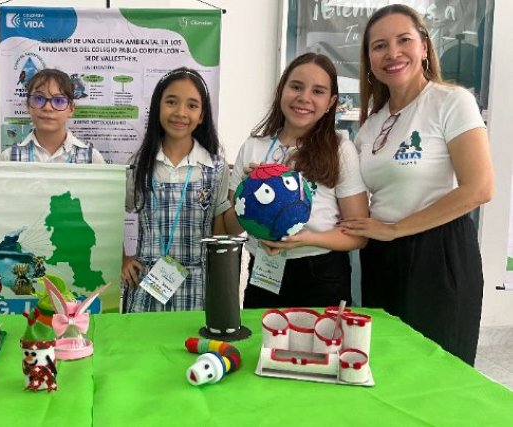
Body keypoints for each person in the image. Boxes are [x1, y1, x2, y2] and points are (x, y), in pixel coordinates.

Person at [339, 4, 493, 366]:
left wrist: (396, 229)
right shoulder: (370, 127)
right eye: (379, 46)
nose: (392, 53)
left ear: (424, 46)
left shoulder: (451, 102)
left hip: (439, 253)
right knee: (388, 367)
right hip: (380, 255)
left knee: (438, 372)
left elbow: (480, 188)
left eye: (403, 40)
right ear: (369, 59)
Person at [224, 53, 369, 309]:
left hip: (321, 273)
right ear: (282, 90)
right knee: (261, 347)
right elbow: (231, 227)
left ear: (330, 102)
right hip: (264, 272)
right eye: (296, 87)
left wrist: (308, 239)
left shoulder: (339, 149)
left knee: (319, 349)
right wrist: (248, 194)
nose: (304, 98)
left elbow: (358, 235)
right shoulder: (253, 146)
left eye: (318, 91)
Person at [121, 67, 231, 312]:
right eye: (172, 102)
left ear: (202, 115)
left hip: (198, 286)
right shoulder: (140, 165)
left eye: (192, 105)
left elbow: (219, 233)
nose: (181, 113)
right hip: (148, 283)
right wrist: (123, 258)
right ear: (158, 106)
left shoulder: (216, 167)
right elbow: (108, 212)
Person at [0, 68, 105, 164]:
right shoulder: (8, 158)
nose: (48, 108)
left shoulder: (92, 159)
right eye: (39, 99)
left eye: (58, 100)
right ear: (28, 105)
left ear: (71, 108)